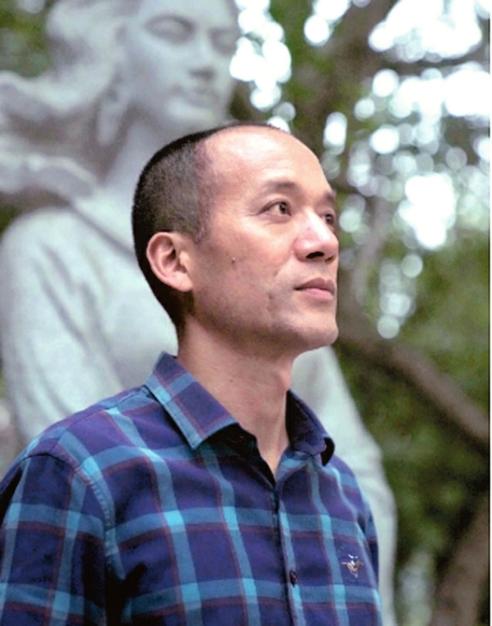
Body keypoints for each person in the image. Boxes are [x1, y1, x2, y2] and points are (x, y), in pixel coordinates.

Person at [0, 1, 396, 621]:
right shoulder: (77, 470)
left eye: (328, 215)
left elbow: (363, 470)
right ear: (174, 260)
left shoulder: (341, 496)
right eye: (279, 210)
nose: (323, 240)